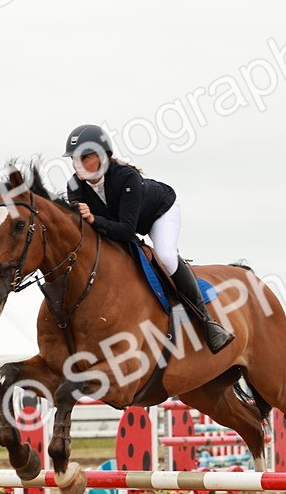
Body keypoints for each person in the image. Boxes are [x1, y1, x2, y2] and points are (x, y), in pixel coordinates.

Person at [63, 124, 233, 353]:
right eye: (74, 159)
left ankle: (207, 321)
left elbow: (126, 230)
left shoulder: (126, 177)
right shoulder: (74, 185)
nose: (78, 165)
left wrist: (93, 219)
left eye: (86, 157)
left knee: (165, 256)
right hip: (118, 224)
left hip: (159, 213)